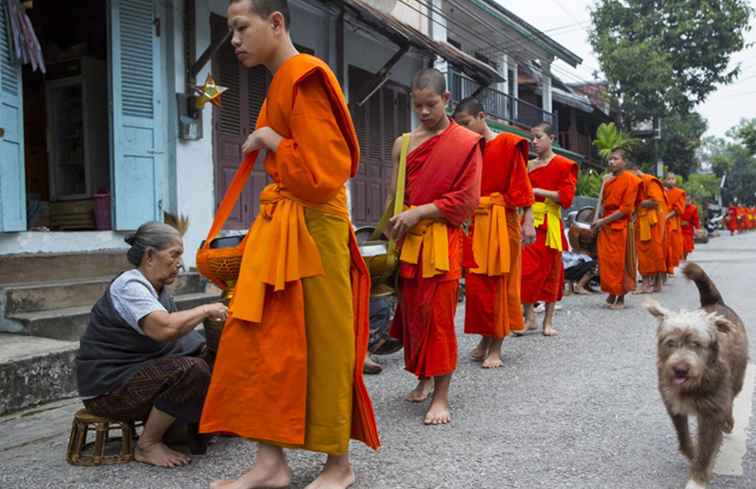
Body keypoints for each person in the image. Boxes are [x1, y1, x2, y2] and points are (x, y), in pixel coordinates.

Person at [199, 2, 379, 488]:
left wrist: (273, 140)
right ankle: (270, 463)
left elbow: (325, 175)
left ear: (275, 22)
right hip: (282, 227)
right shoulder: (281, 81)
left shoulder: (304, 75)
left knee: (324, 343)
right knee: (261, 340)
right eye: (231, 29)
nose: (233, 39)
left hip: (314, 230)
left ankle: (338, 466)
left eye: (241, 27)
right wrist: (273, 138)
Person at [76, 222, 228, 468]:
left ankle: (207, 424)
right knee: (190, 370)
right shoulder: (130, 286)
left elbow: (184, 340)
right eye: (174, 254)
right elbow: (164, 329)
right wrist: (205, 309)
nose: (180, 262)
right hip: (109, 389)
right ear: (149, 256)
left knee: (213, 358)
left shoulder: (158, 290)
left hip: (138, 375)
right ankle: (147, 445)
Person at [388, 69, 482, 425]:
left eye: (431, 104)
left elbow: (467, 200)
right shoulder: (404, 143)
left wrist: (423, 212)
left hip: (442, 239)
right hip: (409, 241)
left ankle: (442, 396)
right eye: (417, 106)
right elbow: (394, 195)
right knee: (413, 314)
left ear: (446, 100)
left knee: (439, 316)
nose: (424, 112)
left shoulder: (463, 143)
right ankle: (423, 377)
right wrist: (391, 231)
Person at [452, 97, 535, 369]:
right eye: (459, 125)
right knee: (478, 286)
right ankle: (485, 339)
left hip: (503, 220)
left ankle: (496, 346)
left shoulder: (509, 143)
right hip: (477, 221)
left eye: (466, 123)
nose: (462, 129)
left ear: (481, 116)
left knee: (500, 283)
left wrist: (528, 220)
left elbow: (522, 185)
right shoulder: (468, 148)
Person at [520, 122, 578, 336]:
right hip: (527, 221)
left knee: (552, 272)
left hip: (550, 221)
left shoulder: (564, 165)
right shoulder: (527, 165)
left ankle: (548, 321)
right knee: (524, 271)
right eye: (532, 138)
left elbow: (567, 198)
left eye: (539, 137)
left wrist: (537, 189)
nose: (534, 142)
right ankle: (529, 317)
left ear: (551, 138)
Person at [592, 148, 640, 310]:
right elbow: (604, 203)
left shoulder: (631, 181)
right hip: (606, 226)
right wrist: (598, 219)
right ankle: (612, 291)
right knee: (606, 261)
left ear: (624, 162)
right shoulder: (608, 180)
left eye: (616, 159)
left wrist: (603, 221)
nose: (611, 162)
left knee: (621, 262)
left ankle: (620, 297)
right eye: (610, 159)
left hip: (621, 226)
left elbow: (626, 209)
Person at [630, 165, 668, 294]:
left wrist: (635, 203)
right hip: (641, 221)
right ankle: (652, 284)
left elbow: (656, 201)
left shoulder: (649, 181)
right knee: (645, 252)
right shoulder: (635, 182)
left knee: (653, 251)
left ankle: (649, 284)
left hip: (652, 222)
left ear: (635, 171)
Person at [664, 173, 686, 275]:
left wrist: (667, 216)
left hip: (672, 223)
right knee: (663, 246)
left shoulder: (679, 193)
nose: (671, 181)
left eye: (673, 179)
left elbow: (679, 209)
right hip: (661, 221)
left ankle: (670, 267)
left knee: (672, 246)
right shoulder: (662, 192)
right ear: (664, 180)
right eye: (669, 179)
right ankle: (664, 267)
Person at [680, 195, 701, 260]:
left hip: (688, 229)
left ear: (691, 200)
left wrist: (697, 228)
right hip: (678, 228)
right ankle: (681, 256)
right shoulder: (679, 207)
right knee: (680, 244)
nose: (687, 202)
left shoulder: (693, 208)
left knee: (686, 246)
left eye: (688, 200)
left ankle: (684, 257)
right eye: (685, 200)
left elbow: (696, 219)